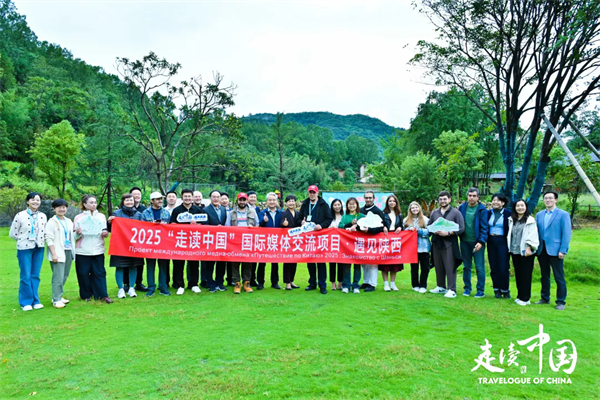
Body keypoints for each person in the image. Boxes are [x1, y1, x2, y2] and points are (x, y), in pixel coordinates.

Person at [534, 191, 572, 310]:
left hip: (556, 250)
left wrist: (563, 250)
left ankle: (561, 301)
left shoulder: (563, 214)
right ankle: (545, 298)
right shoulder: (539, 215)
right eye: (546, 198)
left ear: (556, 200)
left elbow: (566, 234)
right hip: (542, 249)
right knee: (544, 275)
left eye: (550, 198)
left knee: (558, 276)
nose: (548, 200)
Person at [10, 192, 47, 311]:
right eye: (32, 200)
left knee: (35, 275)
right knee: (25, 275)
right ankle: (26, 302)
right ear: (27, 201)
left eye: (38, 200)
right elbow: (13, 233)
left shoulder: (43, 216)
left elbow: (45, 232)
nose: (35, 202)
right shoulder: (20, 215)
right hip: (24, 248)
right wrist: (23, 239)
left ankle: (35, 300)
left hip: (39, 247)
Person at [73, 195, 112, 303]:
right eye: (91, 202)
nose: (94, 205)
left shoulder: (101, 217)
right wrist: (78, 233)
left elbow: (104, 231)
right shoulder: (78, 218)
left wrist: (105, 233)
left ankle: (102, 295)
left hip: (98, 249)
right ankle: (86, 295)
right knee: (83, 273)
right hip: (82, 250)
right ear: (84, 204)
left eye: (95, 202)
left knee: (99, 272)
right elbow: (73, 236)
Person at [427, 191, 465, 299]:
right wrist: (433, 230)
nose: (442, 201)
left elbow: (461, 228)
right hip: (436, 242)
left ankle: (452, 289)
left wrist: (448, 233)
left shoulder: (456, 213)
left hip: (449, 242)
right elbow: (429, 226)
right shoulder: (435, 213)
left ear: (449, 199)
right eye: (440, 199)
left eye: (445, 199)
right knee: (438, 265)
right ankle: (441, 286)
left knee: (450, 266)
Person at [108, 193, 143, 299]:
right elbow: (110, 229)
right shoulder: (117, 213)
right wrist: (109, 222)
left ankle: (132, 288)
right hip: (120, 245)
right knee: (120, 266)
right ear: (123, 202)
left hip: (134, 245)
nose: (129, 202)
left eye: (131, 200)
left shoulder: (139, 214)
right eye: (127, 200)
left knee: (133, 266)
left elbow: (143, 229)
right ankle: (121, 289)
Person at [299, 185, 333, 294]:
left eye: (314, 192)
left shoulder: (323, 204)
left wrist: (321, 226)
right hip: (309, 237)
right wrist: (301, 222)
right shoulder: (305, 204)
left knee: (321, 262)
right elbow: (299, 218)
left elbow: (329, 218)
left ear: (317, 193)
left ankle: (322, 285)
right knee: (310, 261)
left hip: (320, 236)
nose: (312, 194)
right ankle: (312, 283)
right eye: (310, 192)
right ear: (308, 193)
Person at [169, 188, 203, 295]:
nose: (187, 198)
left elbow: (203, 225)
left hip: (193, 241)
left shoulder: (197, 210)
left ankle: (194, 284)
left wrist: (196, 225)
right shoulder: (177, 210)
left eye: (189, 196)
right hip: (180, 240)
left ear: (192, 197)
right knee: (178, 264)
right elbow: (172, 225)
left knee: (194, 263)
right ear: (182, 197)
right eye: (185, 196)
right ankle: (179, 285)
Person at [458, 188, 489, 298]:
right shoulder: (462, 208)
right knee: (466, 266)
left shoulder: (482, 210)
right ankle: (467, 289)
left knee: (479, 267)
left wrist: (481, 241)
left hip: (477, 243)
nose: (471, 198)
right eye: (470, 195)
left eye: (474, 196)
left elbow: (484, 227)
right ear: (467, 196)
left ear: (477, 197)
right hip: (464, 241)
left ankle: (480, 290)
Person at [507, 199, 539, 306]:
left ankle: (525, 298)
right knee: (518, 274)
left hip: (526, 252)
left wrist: (530, 247)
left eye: (522, 205)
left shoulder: (530, 220)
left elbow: (533, 235)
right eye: (518, 206)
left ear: (526, 207)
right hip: (515, 250)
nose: (520, 208)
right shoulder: (512, 220)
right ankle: (520, 296)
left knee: (525, 275)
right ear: (514, 208)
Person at [141, 192, 172, 296]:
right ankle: (151, 288)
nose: (160, 201)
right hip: (150, 244)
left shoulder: (166, 213)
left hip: (163, 244)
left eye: (161, 199)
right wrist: (152, 225)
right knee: (150, 266)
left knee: (163, 266)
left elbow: (171, 228)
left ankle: (163, 287)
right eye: (157, 199)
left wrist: (164, 225)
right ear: (152, 201)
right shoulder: (145, 213)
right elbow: (141, 227)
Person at [45, 199, 75, 309]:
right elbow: (49, 238)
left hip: (68, 250)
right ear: (54, 209)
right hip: (57, 251)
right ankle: (56, 299)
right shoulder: (51, 222)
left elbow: (71, 236)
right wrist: (54, 254)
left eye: (64, 207)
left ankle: (58, 296)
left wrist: (78, 233)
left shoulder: (68, 221)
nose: (62, 209)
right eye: (59, 207)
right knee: (58, 276)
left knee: (65, 275)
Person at [359, 190, 389, 292]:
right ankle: (366, 281)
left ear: (374, 198)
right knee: (364, 263)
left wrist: (369, 230)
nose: (368, 199)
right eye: (366, 198)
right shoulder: (360, 211)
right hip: (363, 241)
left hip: (374, 241)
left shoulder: (378, 211)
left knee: (373, 263)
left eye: (370, 198)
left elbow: (382, 227)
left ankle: (372, 284)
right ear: (364, 198)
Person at [227, 192, 257, 294]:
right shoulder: (231, 213)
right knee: (235, 263)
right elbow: (227, 227)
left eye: (244, 200)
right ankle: (237, 283)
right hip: (235, 242)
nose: (242, 202)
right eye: (240, 200)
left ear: (247, 201)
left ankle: (246, 283)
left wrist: (253, 228)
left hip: (248, 241)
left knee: (247, 262)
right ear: (237, 200)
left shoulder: (252, 212)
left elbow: (258, 225)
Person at [201, 190, 228, 293]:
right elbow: (204, 225)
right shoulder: (205, 210)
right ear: (210, 198)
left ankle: (220, 282)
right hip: (210, 240)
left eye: (218, 197)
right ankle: (210, 283)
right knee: (210, 264)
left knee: (221, 263)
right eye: (214, 197)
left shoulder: (223, 209)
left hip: (221, 241)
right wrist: (215, 228)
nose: (216, 199)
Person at [487, 193, 512, 299]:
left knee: (503, 267)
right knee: (493, 266)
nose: (495, 202)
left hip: (503, 241)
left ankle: (505, 290)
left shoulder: (508, 214)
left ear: (503, 203)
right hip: (491, 241)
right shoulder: (488, 213)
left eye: (498, 200)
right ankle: (496, 290)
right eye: (494, 200)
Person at [339, 197, 365, 294]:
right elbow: (340, 226)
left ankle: (355, 285)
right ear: (347, 206)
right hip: (347, 245)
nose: (352, 206)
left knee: (357, 266)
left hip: (358, 244)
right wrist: (350, 224)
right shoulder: (345, 216)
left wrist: (357, 225)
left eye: (353, 204)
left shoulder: (361, 216)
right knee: (346, 265)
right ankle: (346, 285)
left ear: (357, 205)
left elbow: (367, 225)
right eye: (350, 204)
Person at [404, 201, 431, 294]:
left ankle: (423, 285)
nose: (414, 209)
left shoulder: (425, 219)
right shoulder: (406, 220)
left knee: (425, 268)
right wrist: (408, 230)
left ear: (419, 208)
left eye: (416, 207)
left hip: (424, 247)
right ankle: (415, 285)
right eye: (412, 208)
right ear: (410, 209)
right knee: (414, 268)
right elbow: (403, 233)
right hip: (412, 248)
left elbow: (429, 232)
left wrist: (418, 230)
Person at [258, 192, 282, 289]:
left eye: (273, 200)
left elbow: (283, 225)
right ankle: (260, 283)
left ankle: (275, 282)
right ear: (267, 201)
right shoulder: (262, 213)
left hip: (276, 241)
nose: (272, 202)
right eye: (270, 200)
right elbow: (259, 224)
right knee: (262, 263)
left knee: (275, 263)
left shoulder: (281, 213)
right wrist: (264, 221)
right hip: (264, 241)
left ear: (276, 201)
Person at [126, 187, 148, 292]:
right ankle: (126, 283)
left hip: (140, 240)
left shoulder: (144, 209)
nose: (137, 196)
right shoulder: (124, 209)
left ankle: (139, 283)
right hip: (126, 240)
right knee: (126, 262)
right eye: (134, 194)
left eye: (138, 194)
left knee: (139, 263)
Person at [381, 194, 404, 292]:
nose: (392, 203)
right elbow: (379, 224)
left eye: (393, 201)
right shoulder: (383, 213)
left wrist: (400, 228)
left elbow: (402, 226)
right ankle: (386, 284)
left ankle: (393, 284)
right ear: (387, 202)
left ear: (396, 203)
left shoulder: (399, 214)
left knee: (395, 263)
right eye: (390, 201)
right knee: (385, 263)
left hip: (395, 240)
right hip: (385, 239)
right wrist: (383, 227)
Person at [280, 194, 302, 290]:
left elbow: (300, 223)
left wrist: (302, 223)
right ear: (286, 203)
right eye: (289, 201)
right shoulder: (284, 213)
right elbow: (280, 223)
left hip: (296, 241)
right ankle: (287, 282)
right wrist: (283, 224)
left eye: (293, 201)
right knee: (287, 262)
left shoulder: (298, 213)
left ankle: (292, 281)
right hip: (287, 241)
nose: (291, 203)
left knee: (294, 261)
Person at [328, 199, 344, 291]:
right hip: (332, 243)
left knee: (341, 263)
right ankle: (333, 283)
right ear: (332, 206)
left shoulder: (344, 216)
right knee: (332, 263)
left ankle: (340, 282)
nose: (337, 207)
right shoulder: (329, 217)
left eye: (338, 204)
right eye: (335, 205)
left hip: (343, 244)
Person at [247, 190, 261, 287]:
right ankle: (245, 280)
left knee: (254, 259)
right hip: (245, 237)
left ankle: (252, 279)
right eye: (251, 197)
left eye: (254, 197)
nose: (253, 199)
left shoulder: (258, 209)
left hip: (255, 237)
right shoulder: (244, 208)